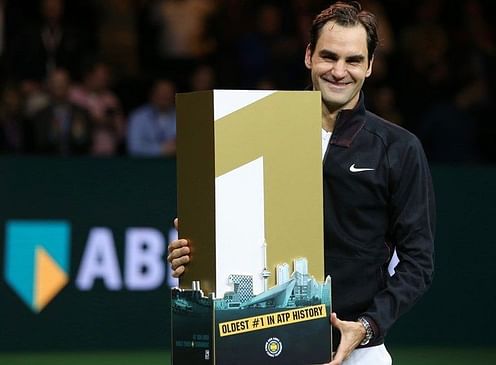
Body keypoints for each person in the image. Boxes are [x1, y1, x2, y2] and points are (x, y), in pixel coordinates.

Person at [167, 2, 435, 365]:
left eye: (353, 60)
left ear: (370, 66)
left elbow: (418, 262)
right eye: (329, 56)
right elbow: (232, 231)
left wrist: (368, 326)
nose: (339, 71)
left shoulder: (399, 148)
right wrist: (196, 254)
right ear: (309, 56)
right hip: (262, 341)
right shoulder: (255, 130)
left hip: (359, 350)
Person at [126, 79, 177, 157]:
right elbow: (134, 147)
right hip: (145, 166)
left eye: (168, 93)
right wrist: (161, 149)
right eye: (161, 92)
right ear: (152, 94)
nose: (164, 96)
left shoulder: (181, 115)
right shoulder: (138, 117)